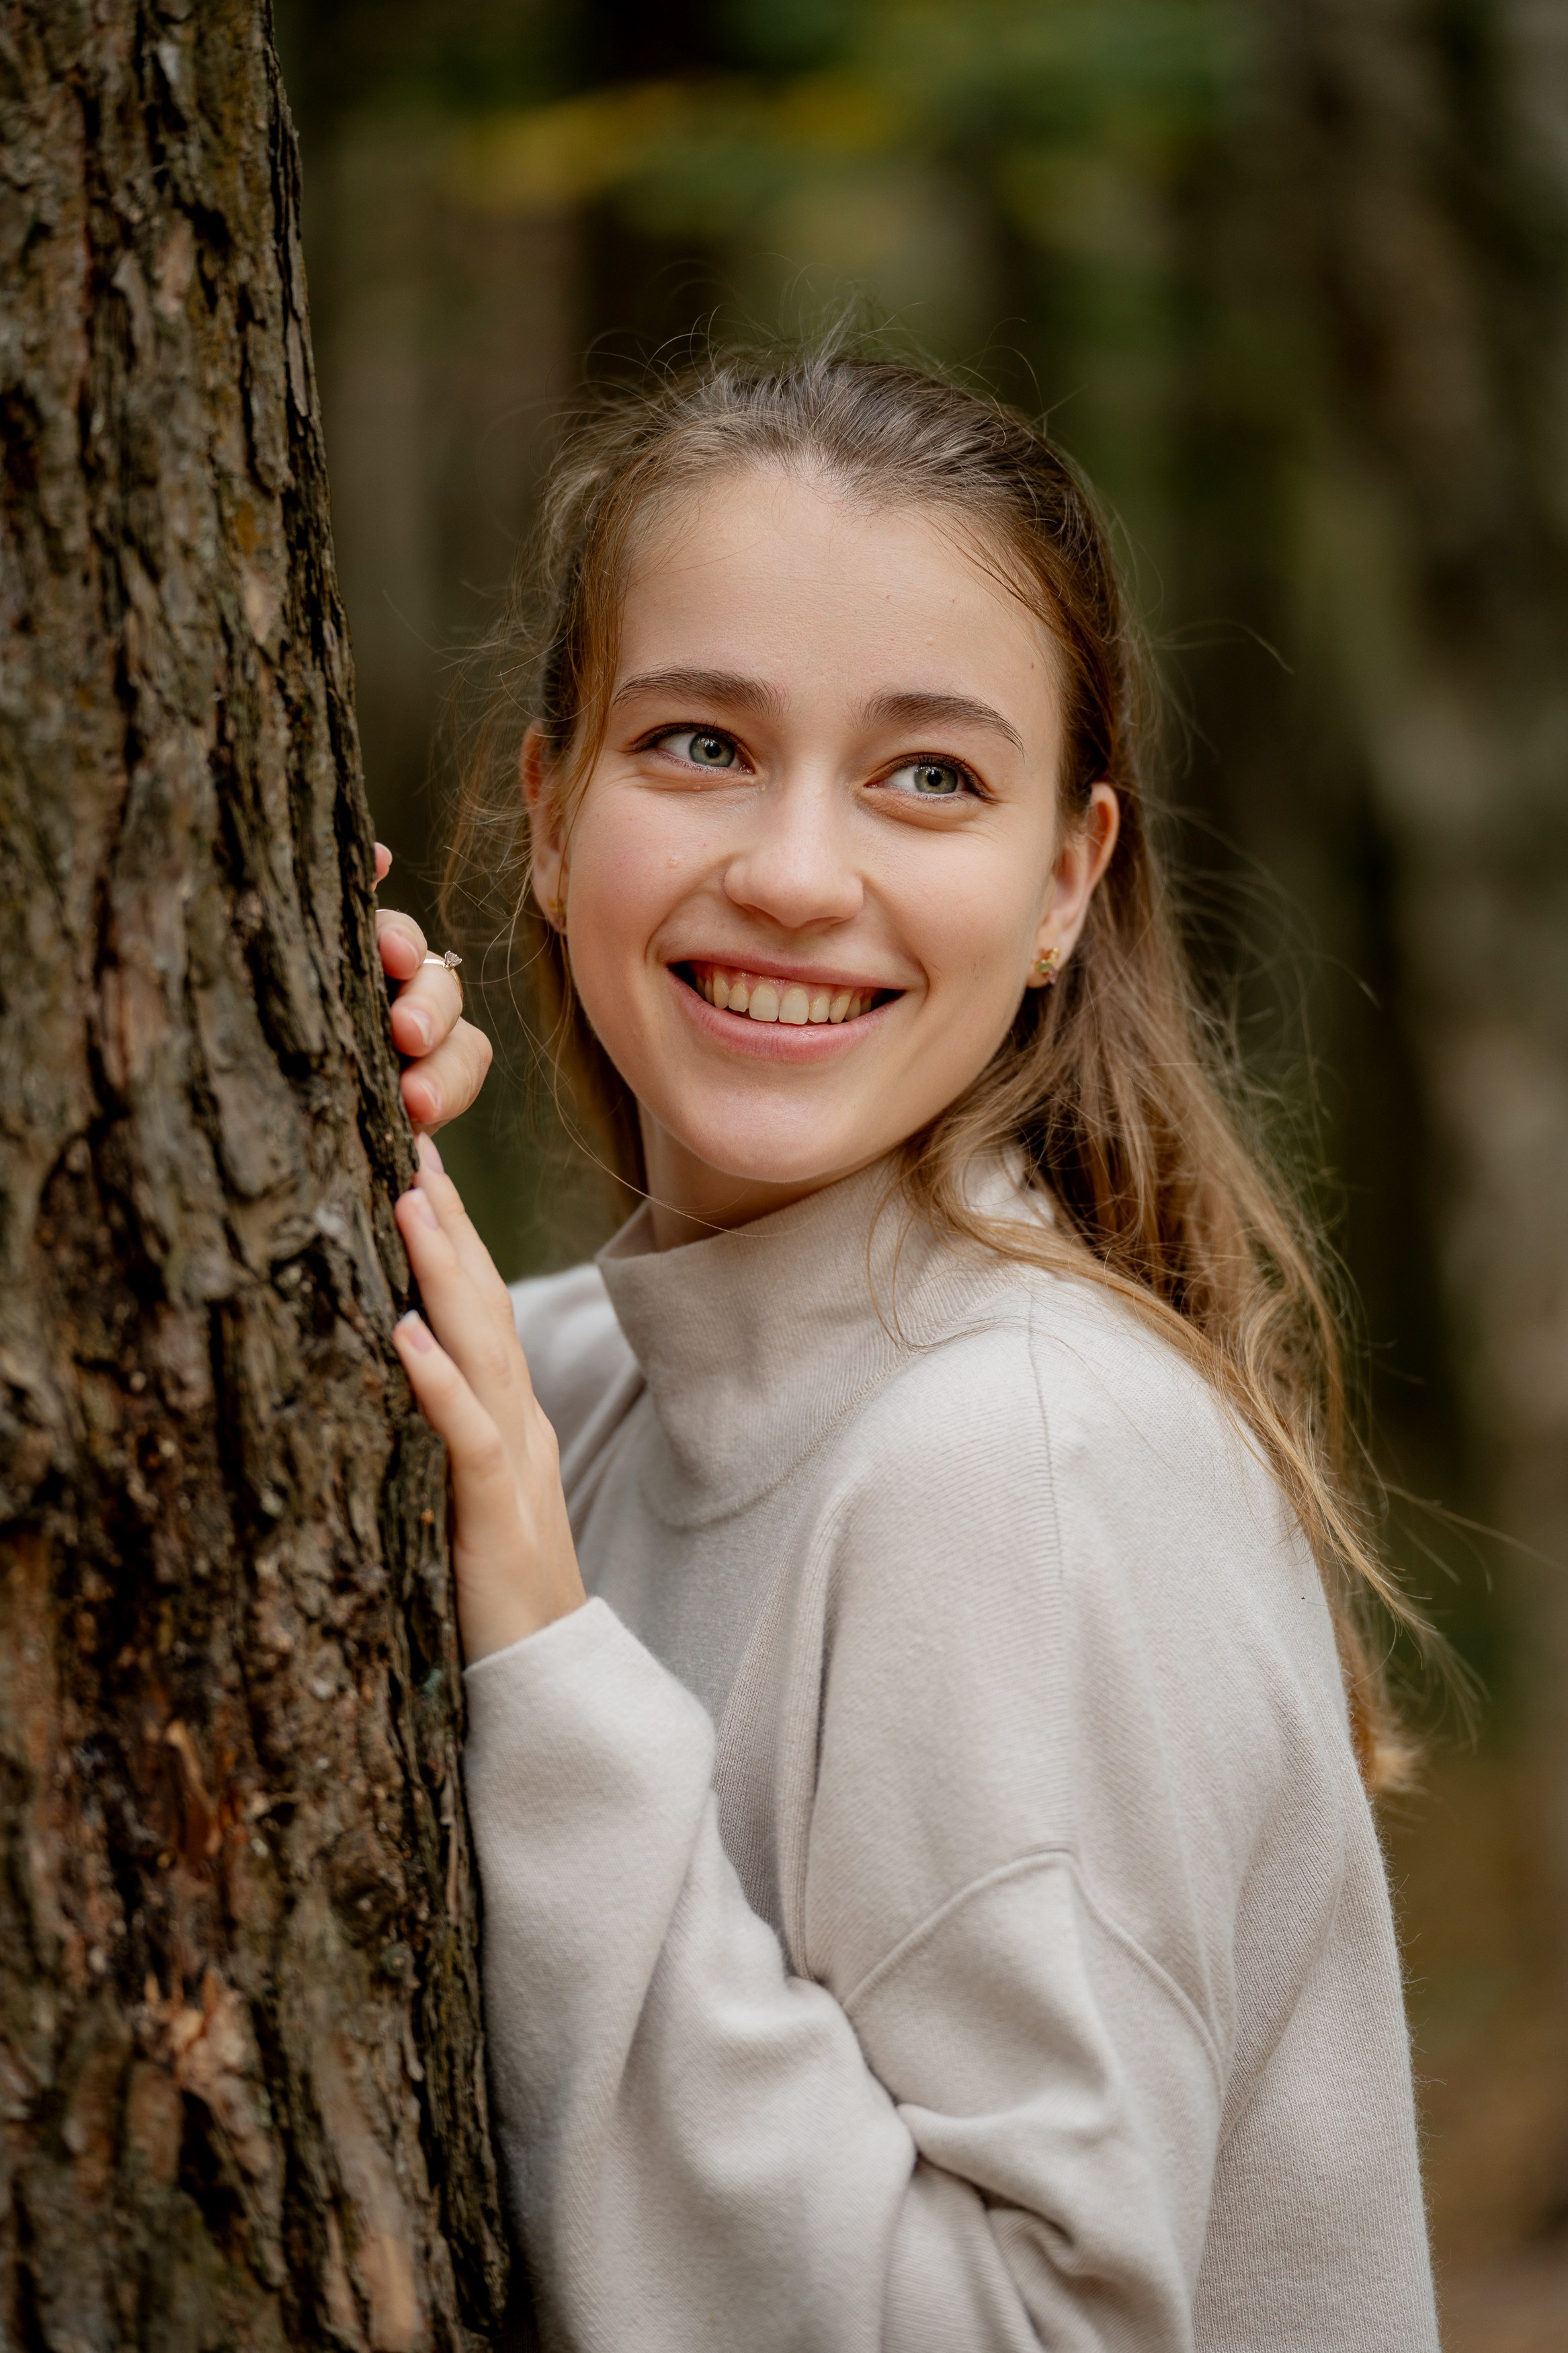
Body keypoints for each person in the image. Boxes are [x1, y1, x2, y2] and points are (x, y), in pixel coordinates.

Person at [375, 348, 1439, 2351]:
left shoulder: (1020, 1458)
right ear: (546, 811)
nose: (792, 868)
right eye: (697, 743)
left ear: (1064, 884)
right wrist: (332, 1132)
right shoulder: (589, 1383)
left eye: (928, 774)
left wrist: (543, 1671)